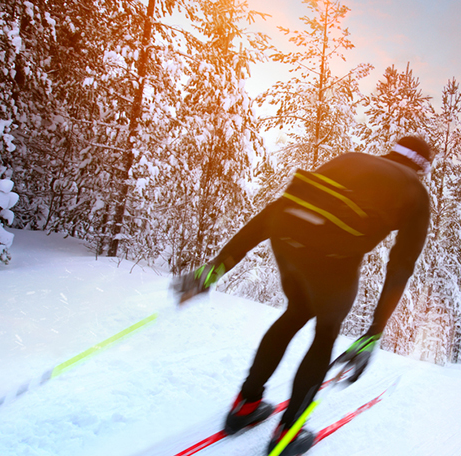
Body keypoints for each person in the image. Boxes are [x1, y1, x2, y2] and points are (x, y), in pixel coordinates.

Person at [173, 136, 432, 456]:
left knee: (295, 312)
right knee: (325, 332)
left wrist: (214, 269)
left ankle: (245, 406)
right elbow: (400, 267)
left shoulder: (351, 158)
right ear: (423, 168)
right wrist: (373, 332)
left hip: (286, 236)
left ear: (391, 151)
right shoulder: (417, 193)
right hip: (335, 259)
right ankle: (288, 432)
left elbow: (282, 207)